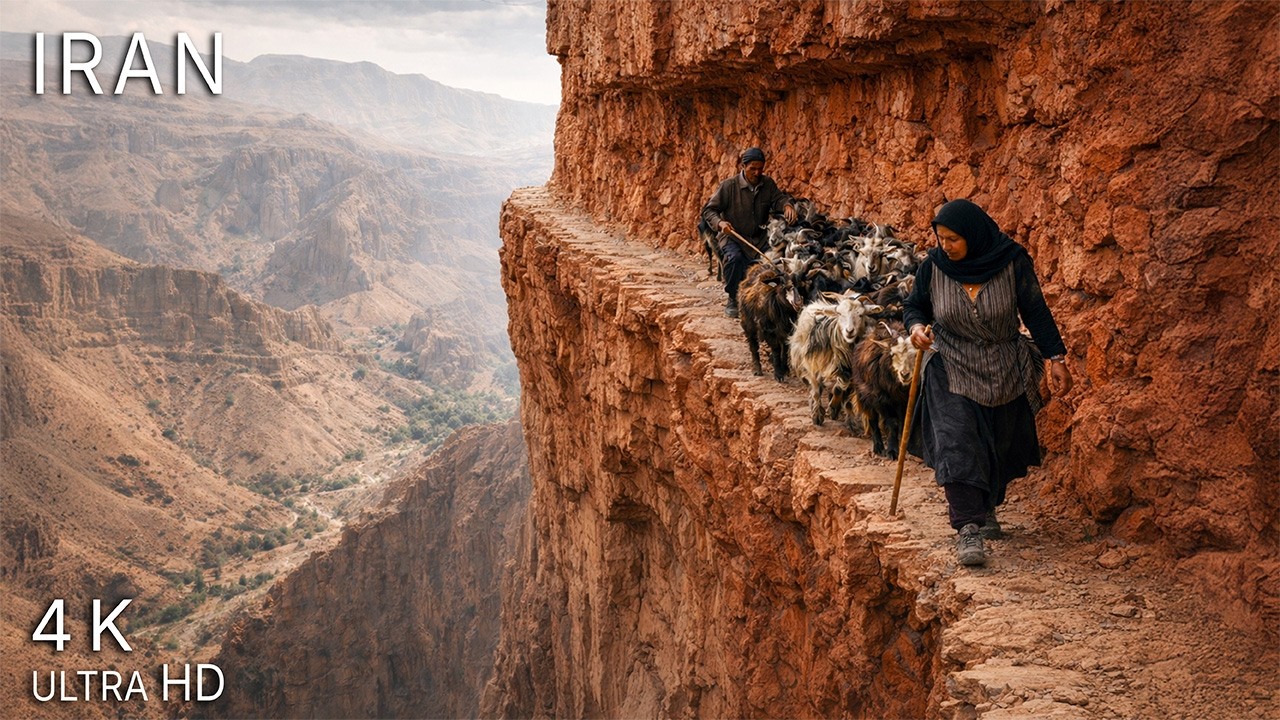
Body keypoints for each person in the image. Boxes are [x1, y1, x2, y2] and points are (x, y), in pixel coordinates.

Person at [902, 199, 1072, 567]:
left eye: (953, 239)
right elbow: (914, 306)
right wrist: (916, 329)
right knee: (956, 439)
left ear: (974, 235)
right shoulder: (933, 267)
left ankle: (987, 506)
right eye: (941, 238)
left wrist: (1054, 358)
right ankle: (968, 528)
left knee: (997, 441)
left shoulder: (1011, 262)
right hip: (950, 362)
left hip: (1002, 364)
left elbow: (1036, 311)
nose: (945, 245)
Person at [700, 147, 797, 317]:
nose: (757, 172)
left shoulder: (767, 184)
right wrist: (720, 223)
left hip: (759, 238)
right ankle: (733, 299)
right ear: (743, 166)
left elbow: (779, 199)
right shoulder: (728, 186)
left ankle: (765, 301)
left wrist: (787, 205)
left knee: (773, 263)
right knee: (735, 260)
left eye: (760, 168)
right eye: (753, 168)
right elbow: (709, 211)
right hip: (733, 236)